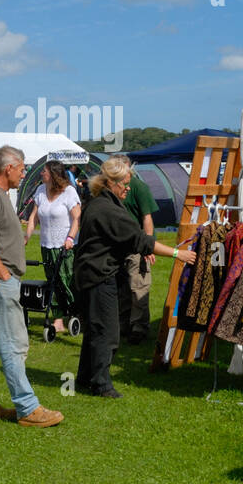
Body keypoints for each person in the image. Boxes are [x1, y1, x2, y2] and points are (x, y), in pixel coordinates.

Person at [74, 156, 195, 397]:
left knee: (95, 330)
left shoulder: (96, 203)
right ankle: (101, 384)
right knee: (108, 333)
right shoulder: (108, 210)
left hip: (89, 273)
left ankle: (85, 378)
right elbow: (140, 240)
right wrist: (177, 253)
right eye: (125, 184)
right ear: (111, 183)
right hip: (99, 275)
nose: (128, 188)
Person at [0, 146, 63, 427]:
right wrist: (4, 275)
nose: (25, 174)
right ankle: (27, 407)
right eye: (22, 168)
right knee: (13, 344)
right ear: (8, 168)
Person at [24, 160, 81, 335]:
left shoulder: (69, 192)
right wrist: (26, 236)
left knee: (67, 281)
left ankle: (74, 312)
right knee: (53, 282)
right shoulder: (41, 190)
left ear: (54, 174)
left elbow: (77, 218)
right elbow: (34, 217)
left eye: (44, 171)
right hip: (46, 245)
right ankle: (58, 319)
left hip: (66, 246)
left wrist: (70, 238)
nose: (41, 174)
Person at [118, 158, 159, 344]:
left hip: (137, 245)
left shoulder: (139, 187)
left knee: (138, 287)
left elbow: (147, 217)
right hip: (119, 246)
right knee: (122, 289)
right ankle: (123, 325)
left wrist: (147, 246)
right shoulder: (113, 188)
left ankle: (139, 329)